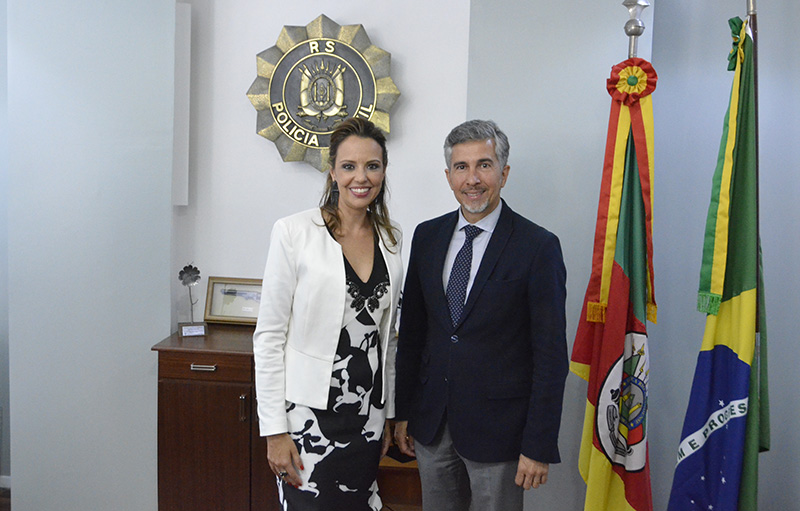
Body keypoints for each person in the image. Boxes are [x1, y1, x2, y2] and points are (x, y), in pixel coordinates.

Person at [394, 119, 568, 511]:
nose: (472, 179)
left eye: (484, 165)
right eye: (462, 167)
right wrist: (403, 414)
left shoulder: (538, 247)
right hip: (432, 427)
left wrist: (538, 444)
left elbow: (551, 355)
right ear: (448, 176)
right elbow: (415, 334)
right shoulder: (427, 236)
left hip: (501, 435)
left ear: (504, 173)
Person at [253, 117, 403, 511]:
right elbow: (269, 337)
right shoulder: (294, 232)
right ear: (333, 171)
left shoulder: (392, 237)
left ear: (384, 171)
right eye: (350, 166)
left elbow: (388, 339)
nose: (362, 177)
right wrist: (274, 432)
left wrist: (388, 413)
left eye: (372, 166)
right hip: (307, 421)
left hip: (367, 419)